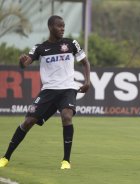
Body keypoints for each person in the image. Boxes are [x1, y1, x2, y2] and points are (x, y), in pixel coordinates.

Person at [0, 15, 90, 170]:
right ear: (50, 27)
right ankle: (5, 157)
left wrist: (88, 82)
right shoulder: (40, 48)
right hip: (48, 91)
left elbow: (85, 62)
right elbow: (26, 63)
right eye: (59, 26)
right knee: (28, 122)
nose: (62, 28)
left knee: (67, 116)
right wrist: (22, 62)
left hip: (67, 89)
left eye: (64, 26)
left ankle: (66, 161)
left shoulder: (71, 43)